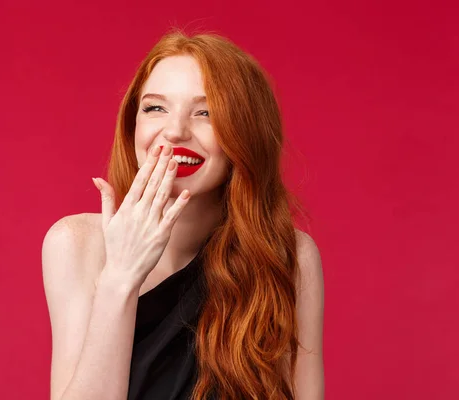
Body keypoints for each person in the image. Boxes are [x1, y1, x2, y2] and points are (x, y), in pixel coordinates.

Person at [42, 29, 325, 400]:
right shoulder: (75, 244)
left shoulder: (288, 255)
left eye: (206, 113)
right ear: (133, 127)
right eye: (155, 108)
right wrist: (121, 277)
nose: (174, 132)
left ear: (246, 134)